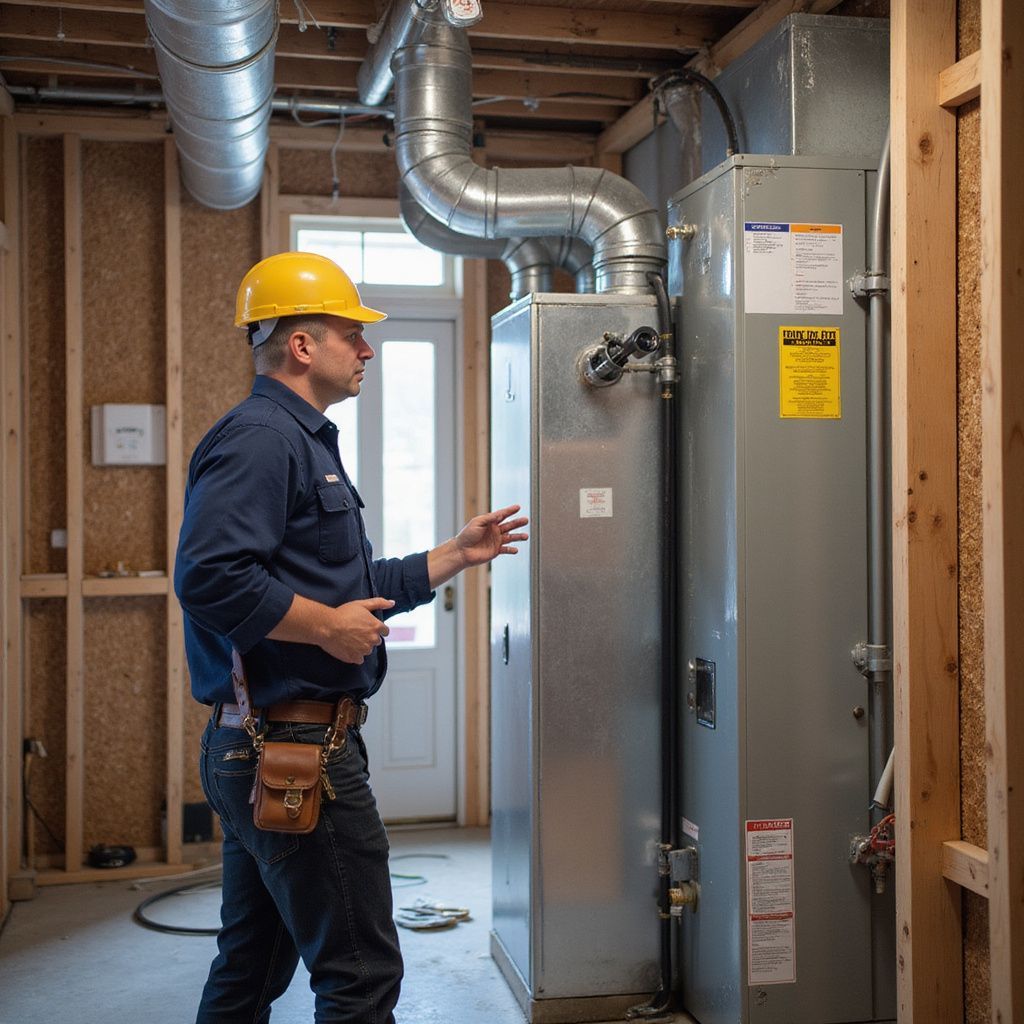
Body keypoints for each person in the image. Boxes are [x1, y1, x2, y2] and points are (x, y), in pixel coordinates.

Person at [173, 251, 528, 1024]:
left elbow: (346, 593)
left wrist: (454, 555)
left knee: (253, 961)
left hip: (272, 745)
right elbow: (208, 577)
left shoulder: (300, 439)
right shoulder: (266, 438)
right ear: (301, 346)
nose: (366, 349)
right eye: (350, 333)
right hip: (293, 751)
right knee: (360, 974)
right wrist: (325, 627)